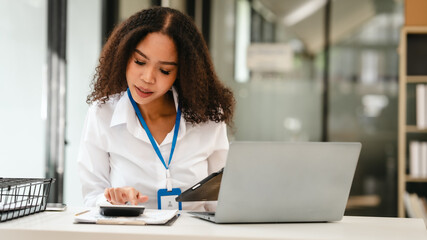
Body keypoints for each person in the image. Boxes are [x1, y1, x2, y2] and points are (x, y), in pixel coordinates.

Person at [77, 6, 234, 211]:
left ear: (182, 72)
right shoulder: (102, 114)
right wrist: (113, 200)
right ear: (124, 55)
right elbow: (92, 196)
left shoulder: (208, 119)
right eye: (140, 62)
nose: (148, 78)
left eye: (164, 70)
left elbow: (222, 201)